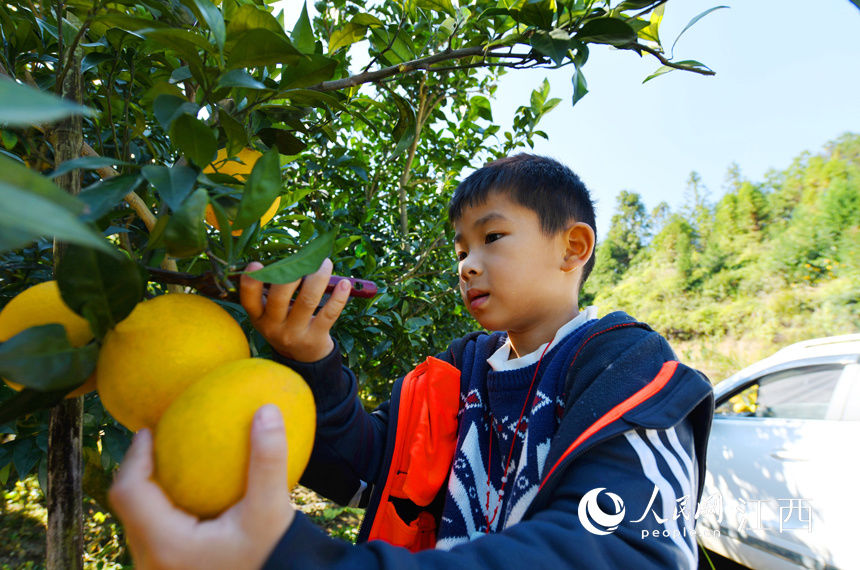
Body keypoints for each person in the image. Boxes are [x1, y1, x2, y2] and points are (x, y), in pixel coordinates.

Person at [109, 154, 714, 569]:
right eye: (460, 249)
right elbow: (366, 475)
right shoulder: (456, 375)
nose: (467, 264)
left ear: (572, 247)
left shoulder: (622, 365)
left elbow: (629, 549)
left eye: (492, 237)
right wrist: (312, 356)